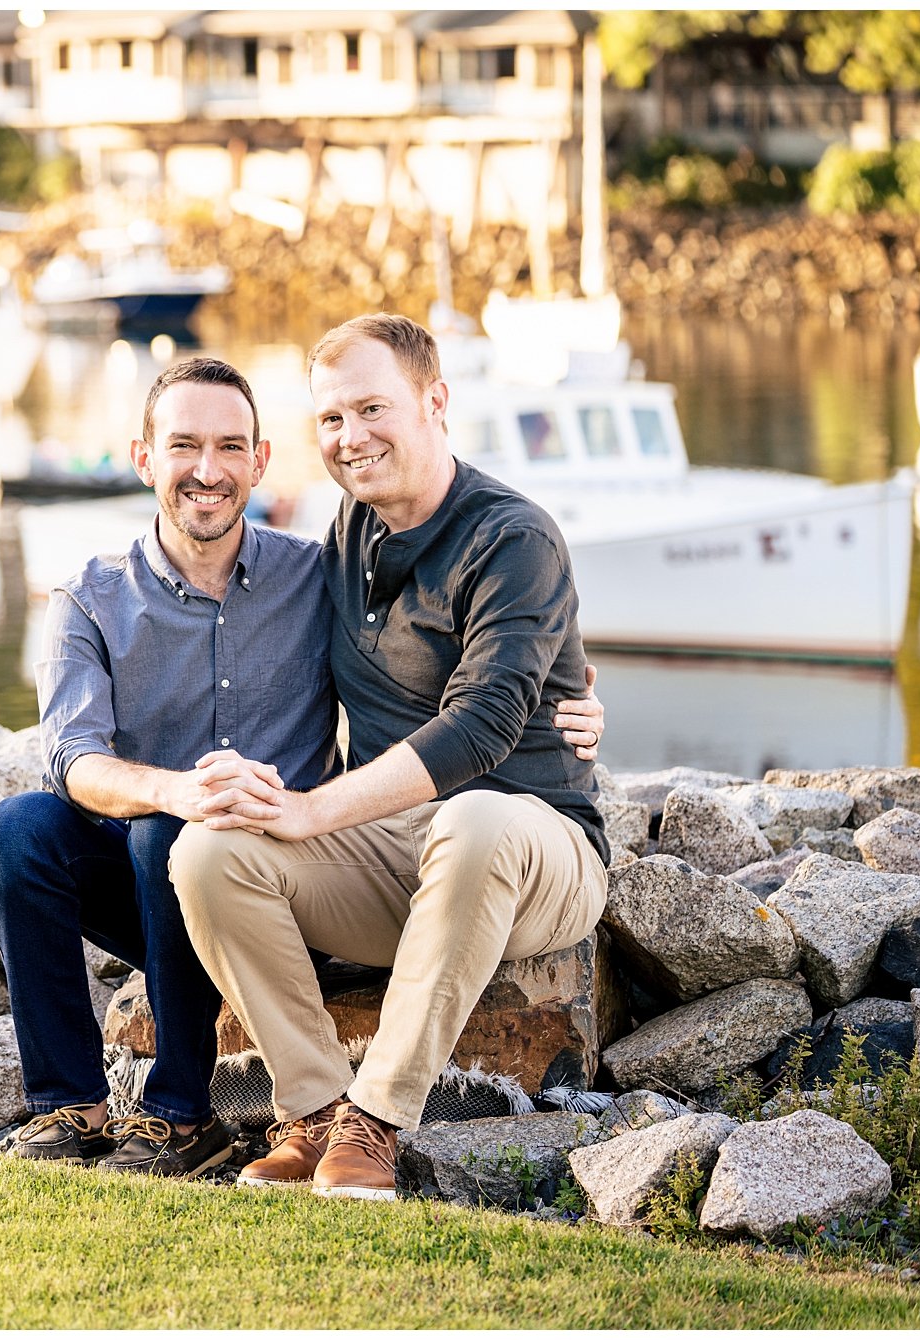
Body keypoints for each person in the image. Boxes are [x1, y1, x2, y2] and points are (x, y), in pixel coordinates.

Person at [0, 356, 605, 1178]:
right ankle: (79, 1107)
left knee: (175, 837)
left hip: (369, 863)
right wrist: (176, 791)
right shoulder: (93, 597)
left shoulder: (315, 573)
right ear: (143, 458)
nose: (208, 471)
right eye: (183, 447)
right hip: (222, 880)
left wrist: (580, 697)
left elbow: (498, 667)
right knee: (33, 829)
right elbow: (71, 758)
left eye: (230, 446)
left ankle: (204, 1116)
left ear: (260, 462)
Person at [169, 314, 611, 1201]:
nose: (350, 437)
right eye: (330, 419)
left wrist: (309, 809)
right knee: (208, 852)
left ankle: (377, 1124)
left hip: (531, 847)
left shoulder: (512, 538)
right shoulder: (349, 533)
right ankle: (316, 1112)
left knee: (476, 818)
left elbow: (486, 725)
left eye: (372, 408)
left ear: (435, 402)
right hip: (395, 853)